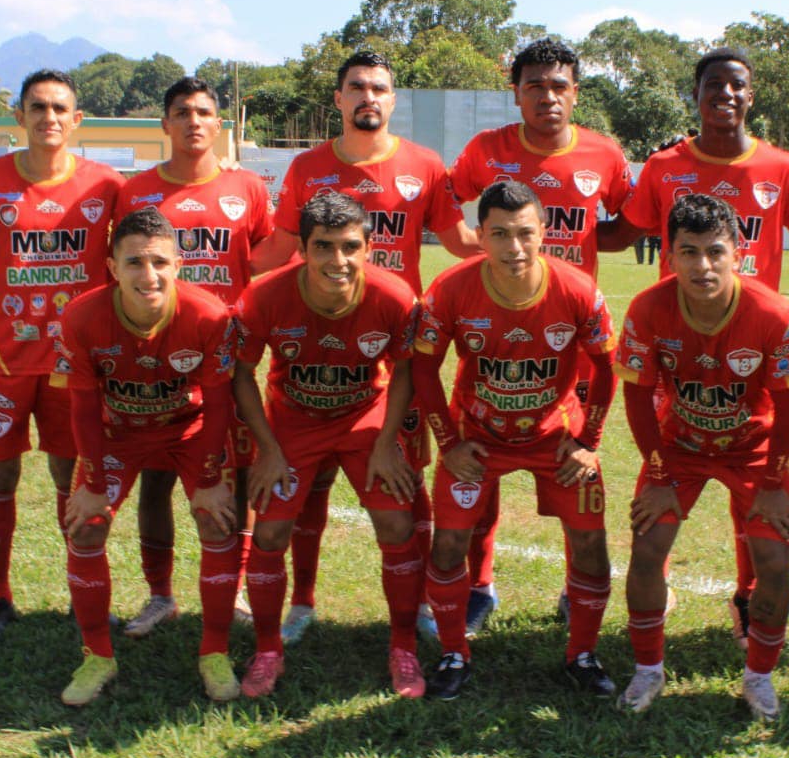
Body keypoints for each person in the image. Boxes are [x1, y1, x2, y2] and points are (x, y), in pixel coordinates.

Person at [599, 46, 789, 647]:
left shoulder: (783, 168)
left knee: (752, 482)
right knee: (670, 463)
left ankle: (746, 600)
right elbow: (622, 231)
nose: (725, 96)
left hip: (757, 349)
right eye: (714, 86)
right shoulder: (663, 168)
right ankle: (652, 586)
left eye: (737, 86)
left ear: (751, 96)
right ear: (697, 94)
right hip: (678, 345)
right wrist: (538, 238)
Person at [264, 50, 479, 646]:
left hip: (396, 352)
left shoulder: (424, 164)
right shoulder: (307, 167)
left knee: (408, 480)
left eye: (379, 88)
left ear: (392, 99)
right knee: (309, 489)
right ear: (337, 99)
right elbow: (280, 252)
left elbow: (459, 240)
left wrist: (525, 249)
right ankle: (302, 604)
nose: (368, 96)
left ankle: (428, 607)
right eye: (356, 86)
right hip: (318, 347)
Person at [0, 69, 122, 640]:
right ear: (20, 117)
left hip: (73, 363)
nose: (49, 118)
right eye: (37, 107)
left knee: (71, 474)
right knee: (1, 475)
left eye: (60, 108)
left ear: (77, 119)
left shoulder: (104, 185)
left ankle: (78, 590)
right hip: (2, 361)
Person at [447, 38, 634, 633]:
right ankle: (479, 587)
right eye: (535, 85)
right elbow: (446, 205)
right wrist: (476, 252)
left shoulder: (603, 154)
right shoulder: (486, 150)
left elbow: (626, 226)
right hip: (496, 335)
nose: (547, 96)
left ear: (575, 92)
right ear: (517, 91)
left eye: (559, 85)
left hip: (568, 343)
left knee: (572, 472)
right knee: (484, 465)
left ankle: (570, 590)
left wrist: (572, 258)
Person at [411, 180, 616, 700]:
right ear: (480, 236)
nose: (514, 247)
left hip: (556, 438)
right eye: (499, 234)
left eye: (525, 233)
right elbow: (423, 369)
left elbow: (607, 367)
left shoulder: (578, 289)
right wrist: (450, 443)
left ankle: (583, 654)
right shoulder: (452, 290)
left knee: (590, 540)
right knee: (450, 541)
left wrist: (588, 441)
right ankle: (455, 653)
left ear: (544, 232)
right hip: (478, 437)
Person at [615, 194, 789, 720]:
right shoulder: (647, 309)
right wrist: (656, 473)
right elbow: (636, 398)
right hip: (679, 449)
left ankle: (760, 676)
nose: (703, 266)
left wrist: (773, 481)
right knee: (648, 545)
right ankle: (648, 670)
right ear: (669, 256)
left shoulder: (774, 315)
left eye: (715, 251)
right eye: (689, 252)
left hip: (755, 452)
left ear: (739, 254)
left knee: (773, 560)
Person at [229, 194, 425, 699]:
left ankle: (403, 645)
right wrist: (268, 449)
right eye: (323, 247)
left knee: (397, 521)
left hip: (366, 416)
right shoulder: (264, 296)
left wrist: (387, 444)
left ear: (368, 247)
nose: (337, 261)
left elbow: (406, 369)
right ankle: (268, 648)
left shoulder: (393, 295)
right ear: (303, 248)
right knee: (270, 531)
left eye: (349, 247)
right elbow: (242, 373)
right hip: (294, 420)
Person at [53, 208, 240, 706]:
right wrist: (91, 481)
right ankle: (97, 656)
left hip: (188, 430)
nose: (148, 274)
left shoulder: (210, 316)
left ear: (179, 265)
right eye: (134, 262)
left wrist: (208, 478)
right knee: (85, 526)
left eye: (160, 261)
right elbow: (84, 407)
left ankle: (214, 652)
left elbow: (221, 403)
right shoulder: (80, 317)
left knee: (217, 519)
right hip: (118, 434)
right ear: (112, 267)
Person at [113, 77, 276, 639]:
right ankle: (160, 595)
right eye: (181, 112)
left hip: (227, 360)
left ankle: (235, 591)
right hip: (153, 360)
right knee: (156, 481)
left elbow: (264, 270)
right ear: (165, 123)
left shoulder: (248, 188)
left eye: (204, 112)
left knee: (238, 476)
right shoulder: (133, 192)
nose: (193, 122)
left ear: (219, 124)